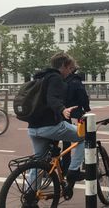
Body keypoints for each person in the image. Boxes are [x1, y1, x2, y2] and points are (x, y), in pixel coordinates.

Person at [27, 52, 85, 188]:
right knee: (85, 136)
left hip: (33, 127)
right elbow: (52, 98)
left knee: (38, 163)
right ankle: (73, 171)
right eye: (70, 68)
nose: (70, 72)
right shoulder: (56, 78)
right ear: (64, 66)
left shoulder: (40, 77)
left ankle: (30, 196)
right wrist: (62, 109)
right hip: (50, 126)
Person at [62, 66, 91, 175]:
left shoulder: (61, 80)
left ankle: (64, 167)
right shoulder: (76, 81)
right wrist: (87, 108)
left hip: (62, 113)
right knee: (82, 138)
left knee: (65, 143)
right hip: (74, 113)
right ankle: (73, 169)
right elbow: (83, 96)